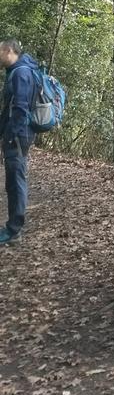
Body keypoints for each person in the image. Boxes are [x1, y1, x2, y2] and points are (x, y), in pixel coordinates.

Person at [0, 39, 37, 245]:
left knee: (16, 180)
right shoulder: (16, 71)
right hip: (16, 134)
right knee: (13, 181)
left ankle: (14, 231)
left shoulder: (21, 73)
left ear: (8, 51)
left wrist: (11, 135)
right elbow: (9, 110)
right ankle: (13, 226)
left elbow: (21, 109)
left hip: (19, 135)